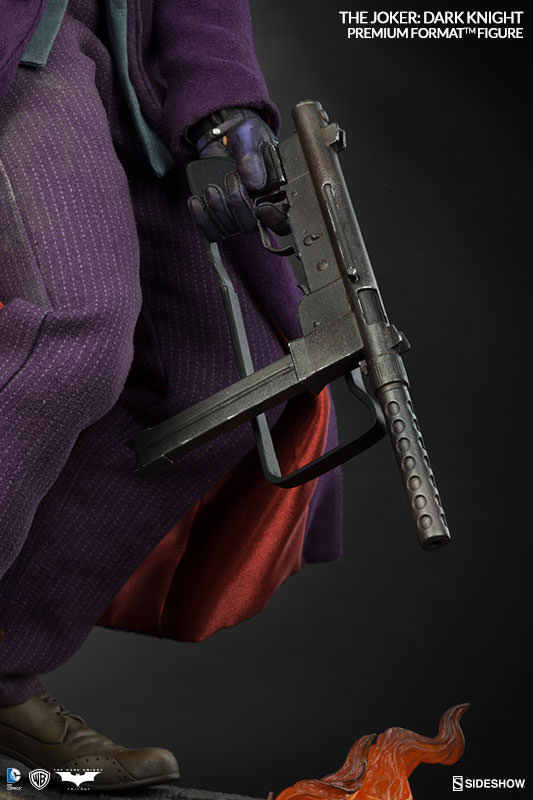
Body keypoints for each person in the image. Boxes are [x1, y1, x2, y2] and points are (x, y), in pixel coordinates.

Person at [0, 1, 342, 790]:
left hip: (128, 63)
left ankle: (4, 671)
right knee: (75, 327)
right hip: (21, 38)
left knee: (226, 380)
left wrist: (224, 101)